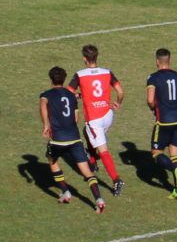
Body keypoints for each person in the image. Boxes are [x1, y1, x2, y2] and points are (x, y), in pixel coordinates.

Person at [40, 66, 106, 214]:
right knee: (87, 172)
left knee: (52, 159)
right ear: (64, 79)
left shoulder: (46, 95)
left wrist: (46, 125)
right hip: (75, 139)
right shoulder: (71, 96)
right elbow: (76, 119)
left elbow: (43, 105)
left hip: (58, 139)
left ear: (51, 79)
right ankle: (99, 200)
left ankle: (65, 191)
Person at [67, 44, 126, 197]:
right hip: (108, 115)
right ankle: (93, 162)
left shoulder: (79, 75)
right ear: (97, 57)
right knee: (87, 133)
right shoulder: (107, 72)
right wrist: (118, 102)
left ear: (84, 58)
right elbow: (120, 91)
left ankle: (116, 180)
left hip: (94, 119)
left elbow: (68, 93)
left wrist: (78, 96)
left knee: (103, 149)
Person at [146, 48, 177, 199]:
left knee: (156, 152)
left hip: (163, 121)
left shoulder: (153, 78)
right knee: (175, 154)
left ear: (157, 61)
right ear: (169, 60)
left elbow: (151, 100)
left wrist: (154, 109)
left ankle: (174, 170)